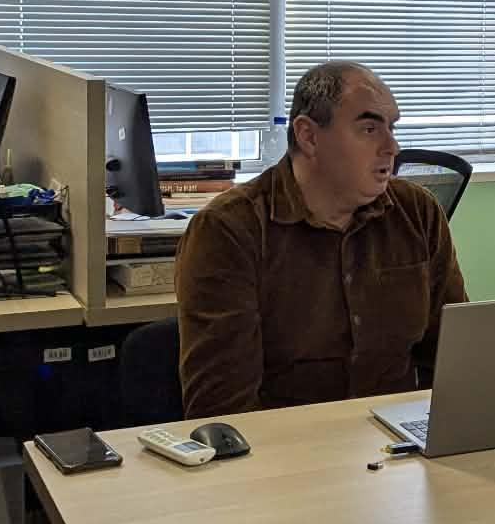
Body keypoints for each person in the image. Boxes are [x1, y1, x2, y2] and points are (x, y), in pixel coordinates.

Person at [176, 62, 468, 419]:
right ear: (309, 136)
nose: (392, 146)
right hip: (286, 443)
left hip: (396, 440)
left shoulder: (417, 212)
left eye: (391, 128)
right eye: (369, 129)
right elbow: (222, 410)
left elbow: (455, 356)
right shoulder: (229, 229)